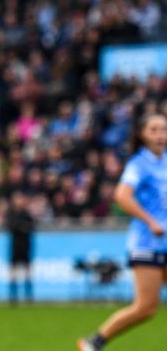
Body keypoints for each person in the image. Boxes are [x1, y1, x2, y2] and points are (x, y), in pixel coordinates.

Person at [77, 112, 167, 351]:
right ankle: (94, 342)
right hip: (148, 243)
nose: (161, 135)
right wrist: (150, 221)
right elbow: (122, 196)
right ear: (142, 135)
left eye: (164, 129)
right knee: (146, 308)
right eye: (154, 130)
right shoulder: (139, 164)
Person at [5, 190, 35, 304]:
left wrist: (20, 228)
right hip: (15, 246)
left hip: (25, 246)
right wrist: (22, 228)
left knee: (27, 270)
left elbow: (31, 227)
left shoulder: (26, 214)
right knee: (13, 271)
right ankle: (13, 296)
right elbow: (11, 227)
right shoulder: (12, 214)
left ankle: (28, 295)